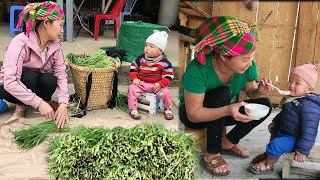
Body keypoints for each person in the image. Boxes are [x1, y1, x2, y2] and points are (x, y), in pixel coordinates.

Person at [179, 16, 274, 176]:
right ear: (224, 56)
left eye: (251, 58)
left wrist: (259, 92)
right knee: (222, 94)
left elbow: (251, 91)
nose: (249, 63)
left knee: (266, 105)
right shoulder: (198, 70)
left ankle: (227, 142)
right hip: (194, 115)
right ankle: (212, 154)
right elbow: (193, 114)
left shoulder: (248, 67)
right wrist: (227, 109)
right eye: (245, 59)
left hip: (224, 111)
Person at [0, 1, 69, 128]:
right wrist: (38, 103)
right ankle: (20, 109)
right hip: (8, 88)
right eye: (60, 25)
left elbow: (61, 74)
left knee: (49, 80)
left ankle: (45, 102)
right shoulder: (20, 42)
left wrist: (63, 104)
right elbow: (10, 82)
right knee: (29, 77)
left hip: (31, 85)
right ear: (46, 23)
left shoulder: (55, 46)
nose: (62, 31)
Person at [248, 63, 320, 174]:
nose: (291, 85)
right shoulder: (292, 99)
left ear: (309, 89)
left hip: (296, 139)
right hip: (286, 131)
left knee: (276, 145)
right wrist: (275, 122)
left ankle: (268, 164)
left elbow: (309, 131)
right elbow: (284, 114)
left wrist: (301, 151)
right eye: (290, 81)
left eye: (297, 83)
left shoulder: (309, 107)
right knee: (274, 132)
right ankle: (269, 154)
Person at [128, 30, 174, 120]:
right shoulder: (141, 58)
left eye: (151, 47)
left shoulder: (165, 63)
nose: (147, 48)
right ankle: (133, 109)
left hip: (156, 86)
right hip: (142, 83)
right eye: (146, 45)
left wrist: (160, 83)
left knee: (166, 93)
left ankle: (167, 109)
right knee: (132, 88)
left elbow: (169, 76)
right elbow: (133, 67)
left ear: (160, 51)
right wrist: (135, 78)